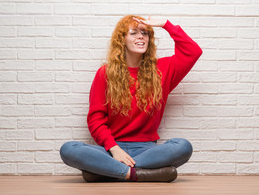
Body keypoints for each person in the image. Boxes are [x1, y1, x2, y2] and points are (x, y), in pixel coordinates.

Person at [59, 15, 203, 182]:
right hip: (111, 148)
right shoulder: (105, 74)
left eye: (145, 33)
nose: (141, 36)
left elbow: (193, 52)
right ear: (122, 40)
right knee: (69, 149)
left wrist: (165, 24)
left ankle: (107, 170)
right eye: (134, 33)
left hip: (147, 150)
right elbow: (95, 119)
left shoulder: (162, 70)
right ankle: (136, 174)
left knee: (183, 146)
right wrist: (114, 149)